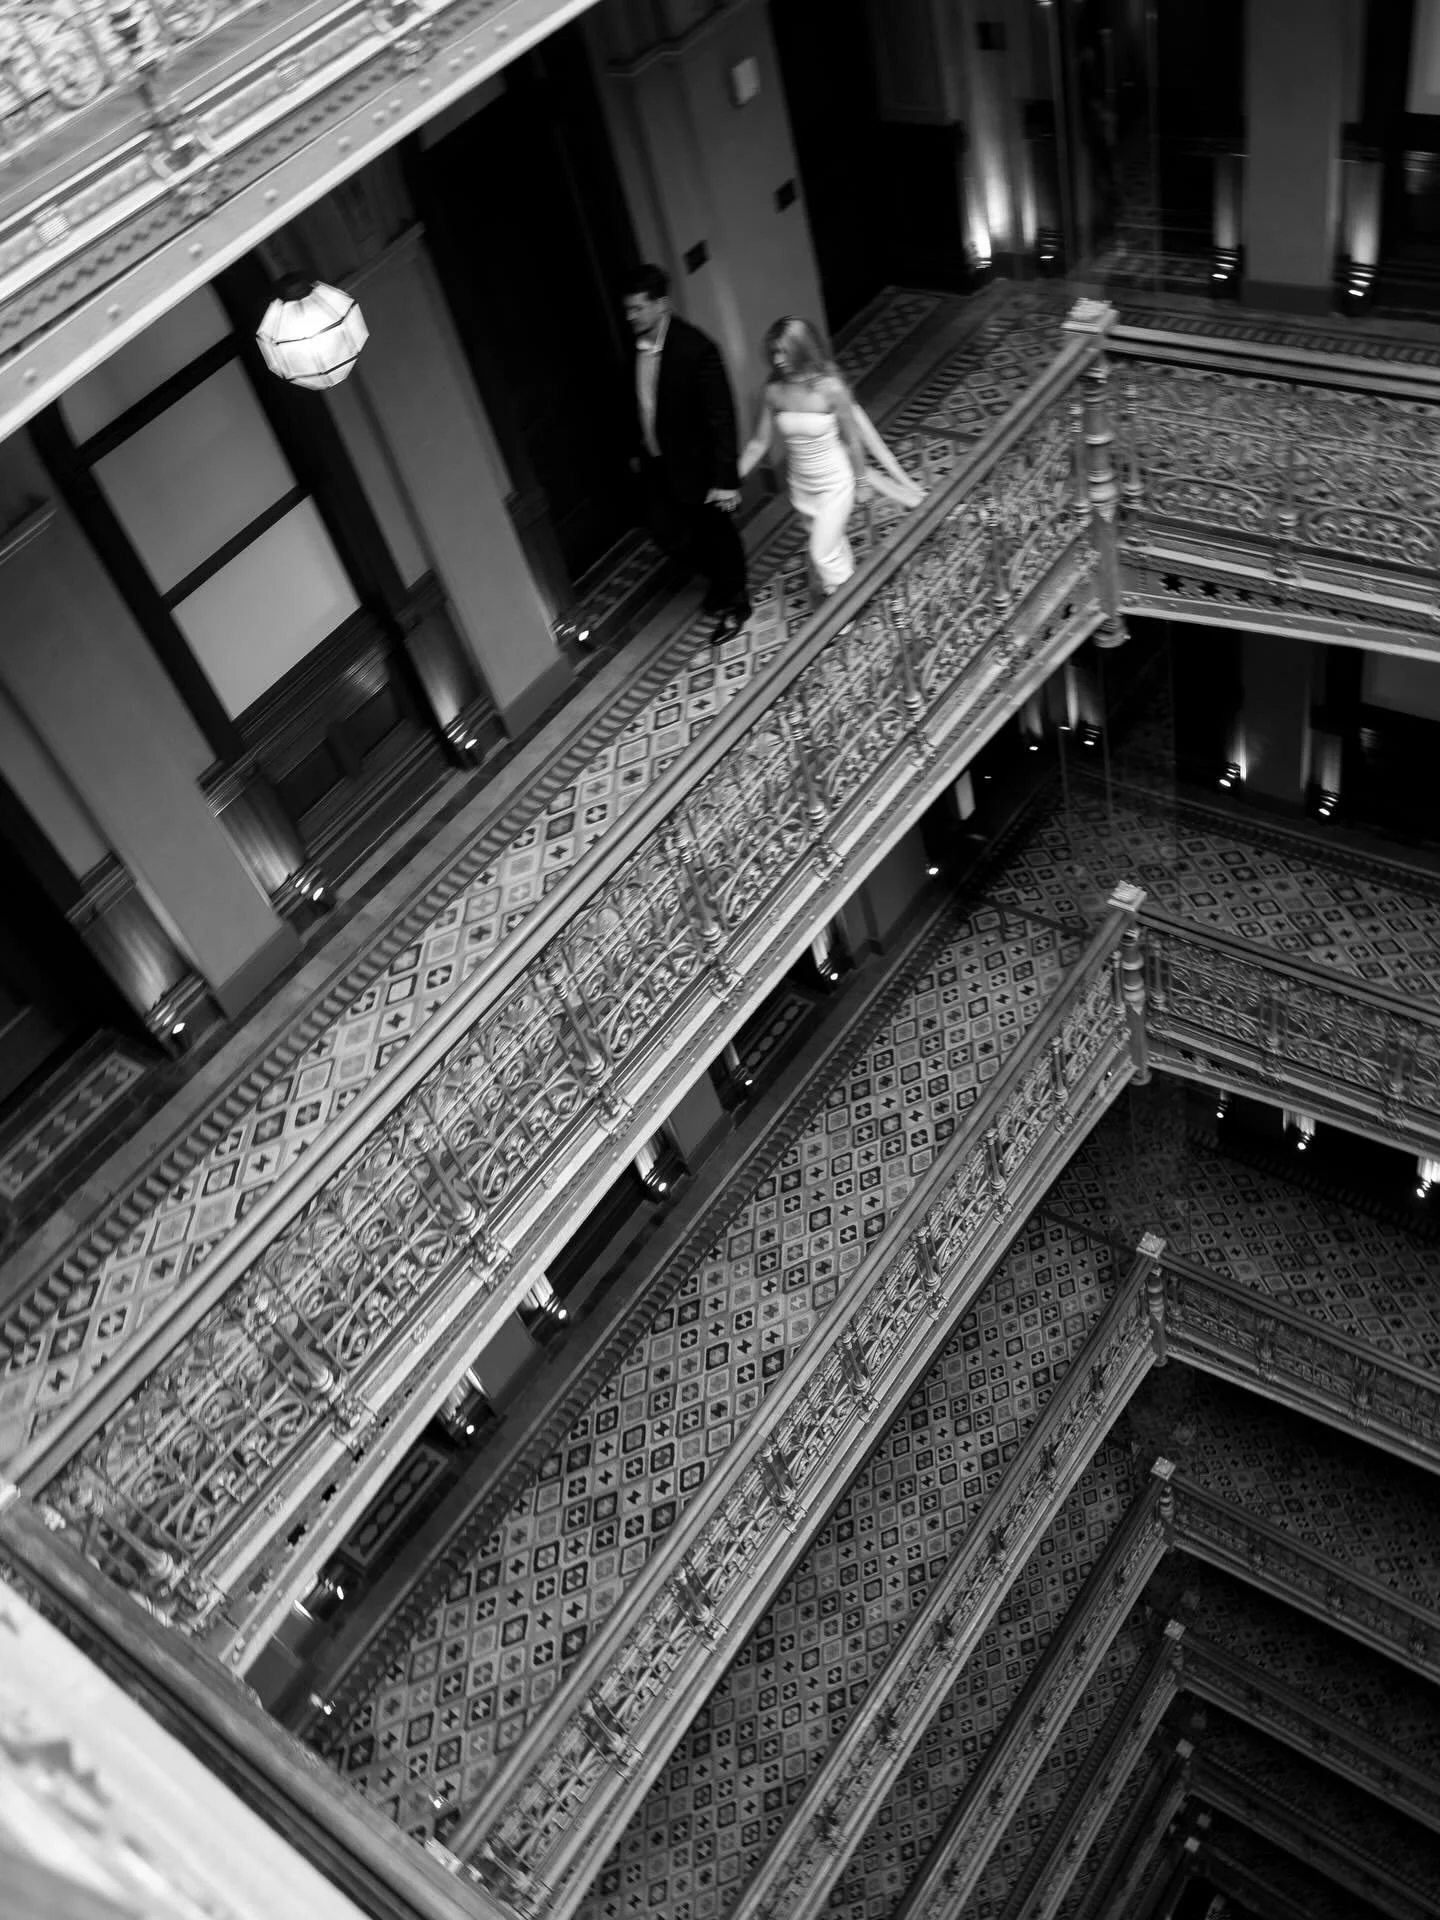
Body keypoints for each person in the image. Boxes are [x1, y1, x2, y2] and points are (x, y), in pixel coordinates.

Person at [738, 317, 925, 599]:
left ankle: (849, 605)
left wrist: (861, 482)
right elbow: (758, 443)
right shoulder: (773, 391)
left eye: (784, 352)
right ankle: (847, 597)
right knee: (833, 546)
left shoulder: (831, 389)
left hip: (835, 483)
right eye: (774, 352)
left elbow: (852, 440)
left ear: (801, 350)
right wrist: (728, 480)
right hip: (801, 486)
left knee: (821, 553)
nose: (777, 360)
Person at [622, 264, 751, 646]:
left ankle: (735, 599)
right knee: (666, 533)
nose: (630, 317)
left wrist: (725, 480)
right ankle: (719, 579)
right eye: (627, 309)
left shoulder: (696, 349)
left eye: (637, 308)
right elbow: (637, 403)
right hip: (656, 463)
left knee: (717, 534)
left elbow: (721, 418)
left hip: (698, 467)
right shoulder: (632, 347)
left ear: (661, 304)